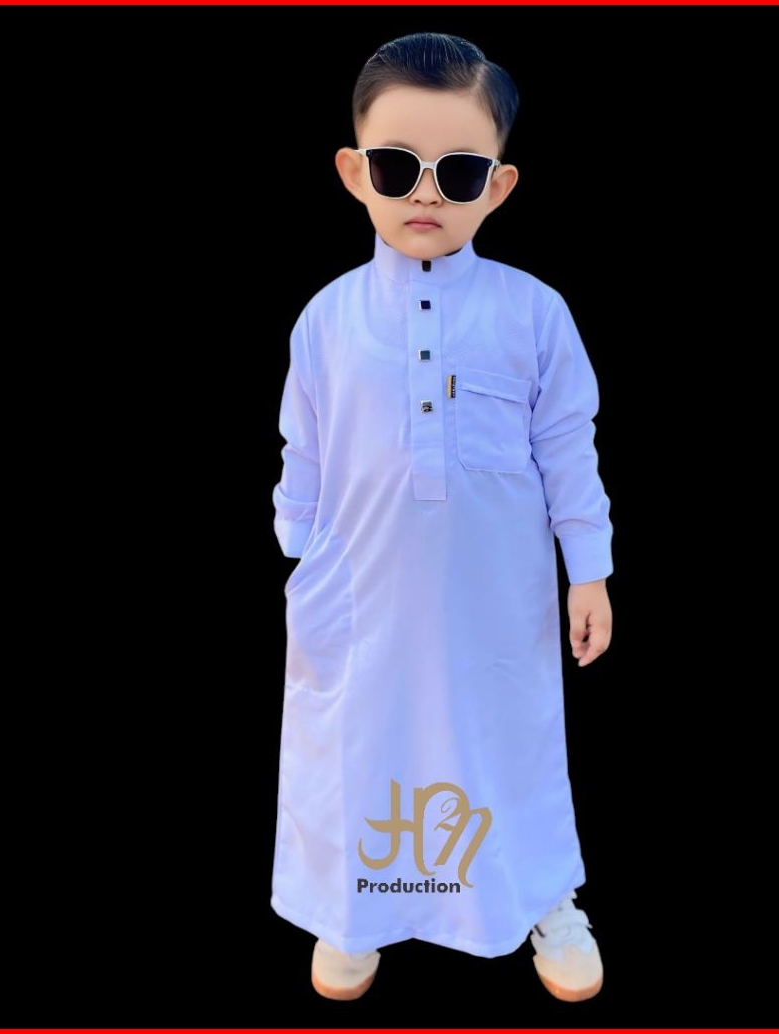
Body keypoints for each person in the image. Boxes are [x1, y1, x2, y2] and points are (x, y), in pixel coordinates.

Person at [270, 31, 614, 1003]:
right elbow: (302, 447)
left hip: (497, 597)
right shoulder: (327, 318)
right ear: (354, 172)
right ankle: (354, 907)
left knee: (510, 736)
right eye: (396, 166)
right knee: (357, 744)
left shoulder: (533, 313)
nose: (425, 192)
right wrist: (299, 555)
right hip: (359, 592)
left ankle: (543, 898)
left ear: (497, 186)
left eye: (456, 171)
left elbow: (567, 445)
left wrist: (587, 569)